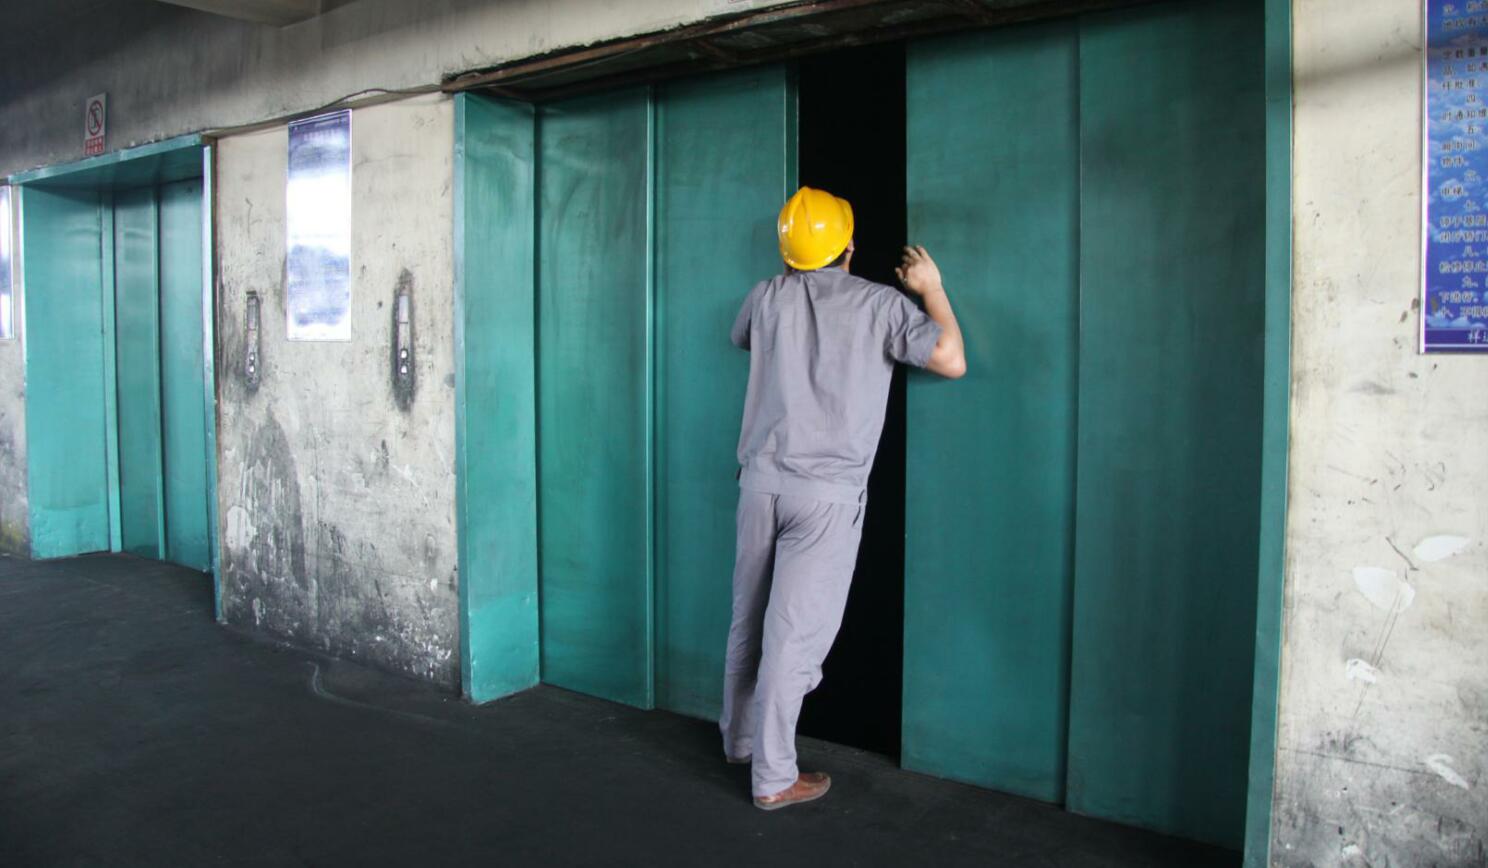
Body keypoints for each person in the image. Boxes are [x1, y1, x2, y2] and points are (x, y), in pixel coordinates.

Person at [720, 186, 966, 810]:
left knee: (749, 619)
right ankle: (773, 777)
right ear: (849, 247)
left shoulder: (764, 297)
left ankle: (740, 741)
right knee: (792, 639)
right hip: (824, 498)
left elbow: (742, 337)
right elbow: (950, 359)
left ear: (788, 253)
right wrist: (932, 288)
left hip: (759, 487)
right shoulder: (880, 305)